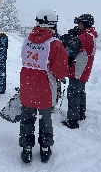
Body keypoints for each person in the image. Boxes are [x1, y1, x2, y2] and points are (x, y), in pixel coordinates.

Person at [19, 9, 68, 163]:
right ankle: (45, 147)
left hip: (27, 86)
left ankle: (26, 147)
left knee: (27, 117)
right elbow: (60, 70)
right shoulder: (55, 43)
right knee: (45, 119)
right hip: (45, 88)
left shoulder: (28, 40)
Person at [61, 14, 98, 129]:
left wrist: (68, 37)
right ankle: (80, 114)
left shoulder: (86, 37)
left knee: (73, 93)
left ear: (85, 24)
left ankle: (72, 120)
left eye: (80, 23)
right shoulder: (89, 35)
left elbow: (73, 45)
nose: (78, 25)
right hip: (83, 69)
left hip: (79, 69)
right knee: (80, 92)